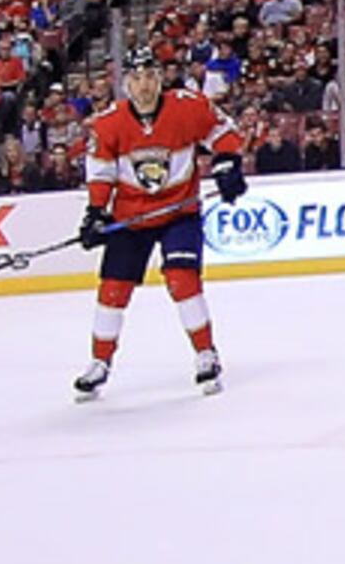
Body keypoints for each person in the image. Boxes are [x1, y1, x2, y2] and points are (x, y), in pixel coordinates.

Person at [72, 51, 243, 400]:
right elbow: (101, 171)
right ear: (126, 84)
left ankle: (205, 354)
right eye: (136, 78)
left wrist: (227, 164)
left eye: (150, 76)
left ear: (160, 78)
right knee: (113, 290)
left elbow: (223, 133)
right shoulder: (108, 123)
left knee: (183, 279)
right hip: (130, 218)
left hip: (179, 212)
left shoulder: (188, 107)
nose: (144, 85)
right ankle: (99, 363)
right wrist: (94, 213)